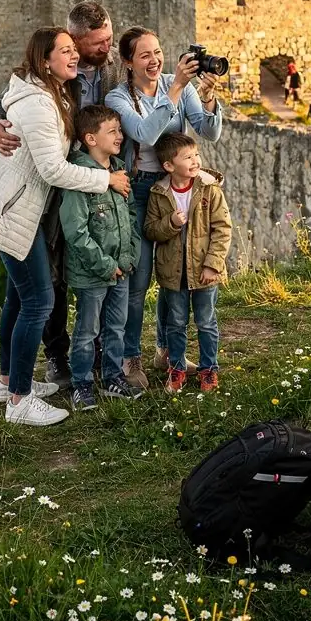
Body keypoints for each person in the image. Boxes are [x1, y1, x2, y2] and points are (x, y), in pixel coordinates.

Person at [0, 28, 127, 427]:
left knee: (19, 300)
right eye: (67, 50)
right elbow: (52, 169)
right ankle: (19, 400)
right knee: (39, 300)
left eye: (76, 50)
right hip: (16, 210)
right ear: (45, 61)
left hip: (20, 208)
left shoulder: (46, 90)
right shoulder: (39, 103)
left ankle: (8, 383)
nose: (75, 56)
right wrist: (106, 180)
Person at [106, 28, 223, 392]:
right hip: (139, 191)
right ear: (128, 62)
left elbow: (208, 132)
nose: (154, 60)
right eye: (144, 55)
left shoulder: (179, 84)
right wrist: (174, 90)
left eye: (157, 52)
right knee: (138, 280)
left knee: (175, 274)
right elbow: (144, 134)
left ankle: (164, 351)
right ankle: (130, 357)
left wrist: (206, 101)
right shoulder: (118, 97)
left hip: (177, 189)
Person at [59, 105, 142, 411]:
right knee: (86, 331)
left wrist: (129, 255)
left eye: (120, 130)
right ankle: (81, 384)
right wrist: (105, 265)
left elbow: (131, 215)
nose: (120, 136)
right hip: (94, 272)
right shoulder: (80, 178)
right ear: (91, 139)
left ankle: (112, 378)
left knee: (116, 327)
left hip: (122, 267)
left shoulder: (118, 170)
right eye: (113, 131)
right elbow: (76, 231)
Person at [145, 133, 233, 395]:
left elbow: (222, 229)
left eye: (196, 154)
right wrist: (170, 223)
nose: (195, 160)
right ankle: (177, 368)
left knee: (206, 322)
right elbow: (151, 230)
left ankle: (209, 369)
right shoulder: (159, 193)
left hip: (205, 272)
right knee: (176, 323)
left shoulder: (209, 189)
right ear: (169, 166)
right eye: (187, 157)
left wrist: (212, 265)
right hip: (173, 274)